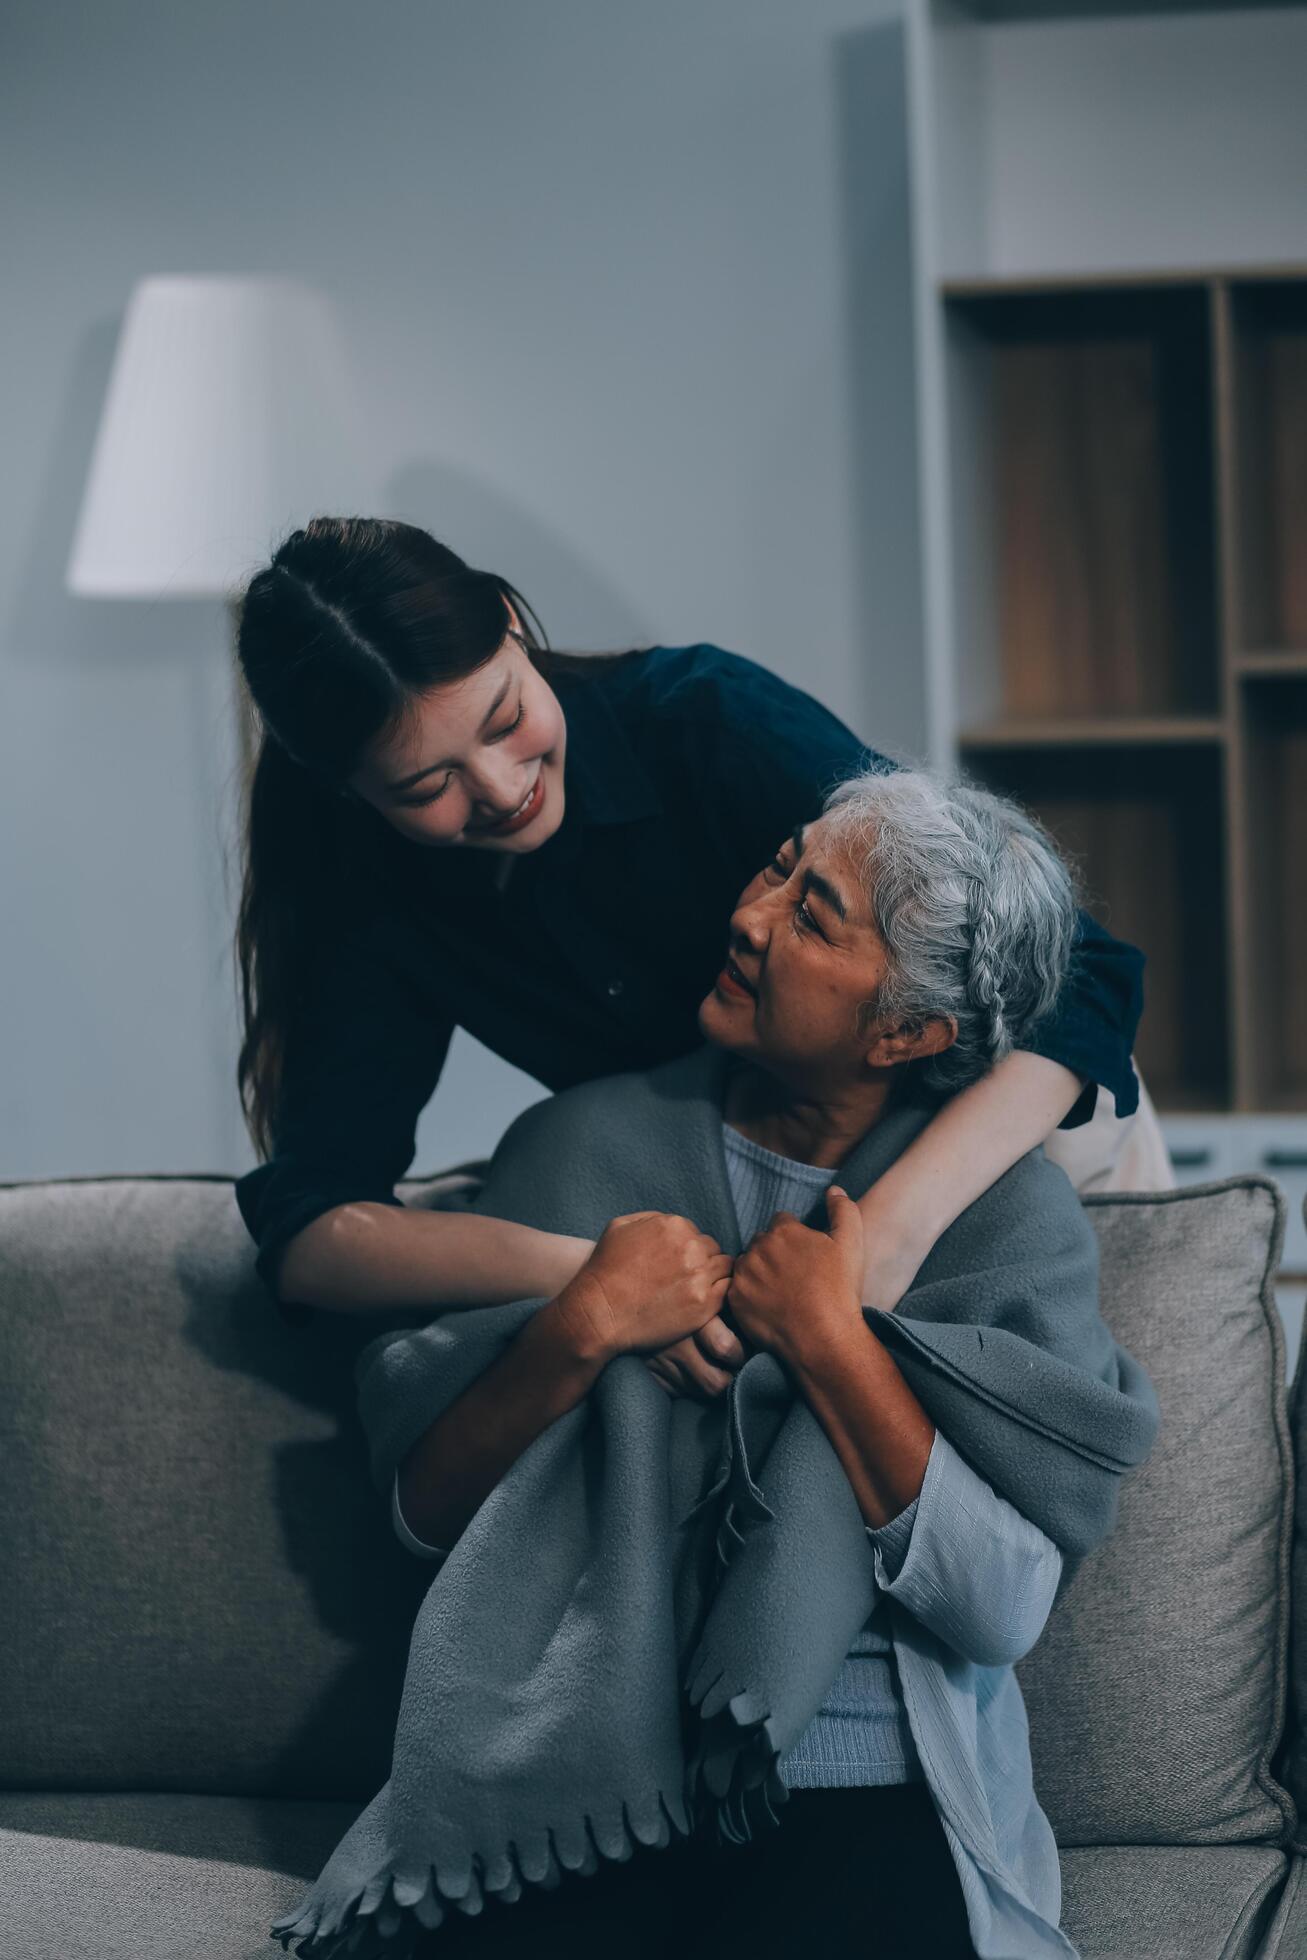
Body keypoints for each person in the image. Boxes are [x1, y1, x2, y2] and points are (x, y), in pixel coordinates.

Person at [270, 765, 1158, 1960]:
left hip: (860, 1781)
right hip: (573, 1772)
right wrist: (577, 1323)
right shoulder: (579, 1146)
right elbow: (422, 1523)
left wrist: (833, 1343)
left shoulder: (1003, 1223)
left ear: (903, 1031)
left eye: (811, 916)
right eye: (780, 865)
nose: (748, 915)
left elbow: (998, 1606)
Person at [233, 515, 1157, 1412]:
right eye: (428, 785)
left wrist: (890, 1233)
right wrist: (595, 1276)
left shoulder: (700, 719)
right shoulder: (366, 899)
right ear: (348, 791)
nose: (503, 788)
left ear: (513, 624)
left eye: (506, 718)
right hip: (762, 1206)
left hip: (1015, 1113)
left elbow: (1084, 972)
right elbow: (313, 1228)